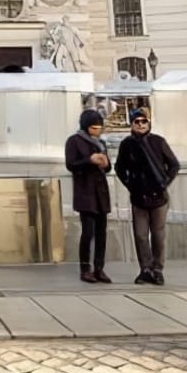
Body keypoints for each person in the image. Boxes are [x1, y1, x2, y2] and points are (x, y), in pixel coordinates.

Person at [114, 111, 179, 285]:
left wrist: (165, 182)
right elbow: (119, 167)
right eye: (137, 121)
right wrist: (130, 184)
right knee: (141, 235)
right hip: (139, 197)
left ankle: (158, 269)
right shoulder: (127, 144)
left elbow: (174, 164)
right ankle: (145, 268)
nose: (141, 124)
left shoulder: (158, 141)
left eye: (144, 121)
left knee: (158, 235)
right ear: (132, 124)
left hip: (159, 197)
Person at [64, 109, 113, 283]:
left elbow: (107, 168)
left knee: (102, 233)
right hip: (86, 192)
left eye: (99, 127)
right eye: (94, 127)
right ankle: (85, 268)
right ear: (86, 127)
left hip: (101, 193)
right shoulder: (74, 141)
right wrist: (89, 160)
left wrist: (106, 164)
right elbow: (71, 164)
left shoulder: (101, 143)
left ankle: (99, 267)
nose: (97, 130)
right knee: (88, 232)